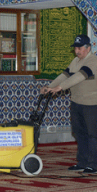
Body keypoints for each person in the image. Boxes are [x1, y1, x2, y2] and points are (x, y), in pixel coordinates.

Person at [40, 34, 97, 174]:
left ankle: (93, 164)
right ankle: (83, 162)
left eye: (80, 48)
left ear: (88, 47)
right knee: (79, 133)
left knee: (92, 134)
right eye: (76, 48)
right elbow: (65, 75)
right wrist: (49, 86)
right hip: (76, 102)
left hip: (91, 104)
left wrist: (60, 88)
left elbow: (79, 76)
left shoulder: (93, 61)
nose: (77, 51)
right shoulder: (75, 61)